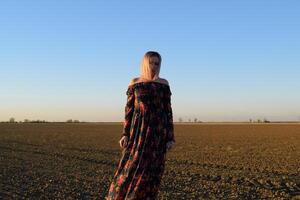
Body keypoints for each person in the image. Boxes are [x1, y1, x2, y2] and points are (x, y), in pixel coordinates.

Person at [105, 51, 175, 200]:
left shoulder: (163, 84)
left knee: (150, 176)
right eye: (152, 62)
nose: (154, 66)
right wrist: (125, 134)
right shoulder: (135, 83)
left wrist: (170, 138)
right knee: (128, 171)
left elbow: (168, 112)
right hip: (138, 134)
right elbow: (129, 111)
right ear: (145, 63)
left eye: (157, 63)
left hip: (157, 136)